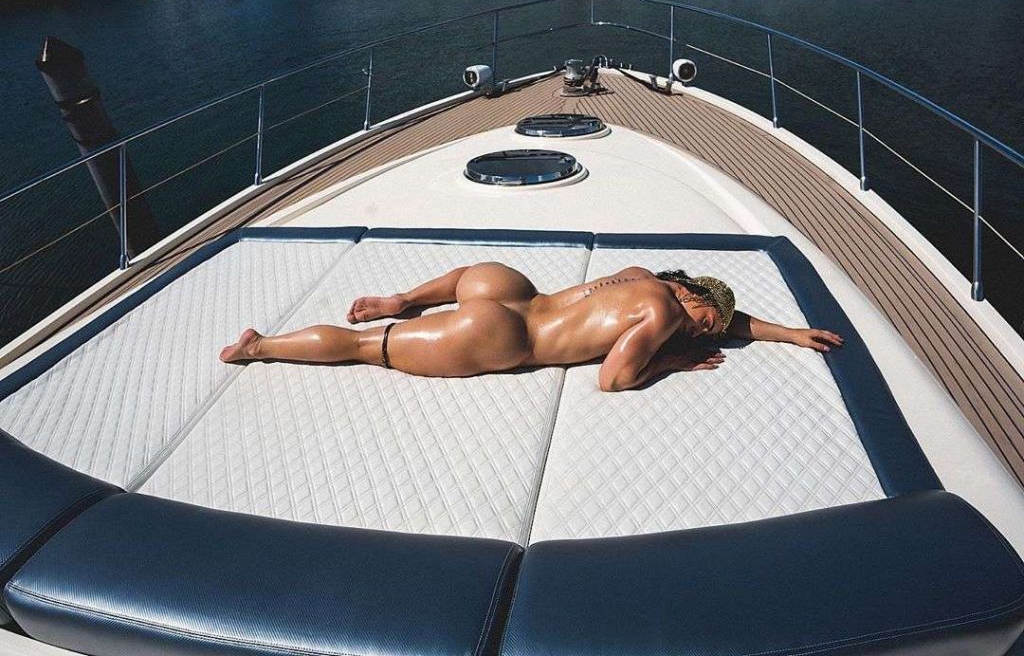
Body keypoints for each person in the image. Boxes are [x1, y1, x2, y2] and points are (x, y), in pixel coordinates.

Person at [219, 262, 843, 391]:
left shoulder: (640, 275)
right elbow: (613, 379)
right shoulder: (663, 316)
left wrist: (790, 334)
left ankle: (402, 299)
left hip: (512, 291)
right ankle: (259, 347)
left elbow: (734, 321)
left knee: (463, 279)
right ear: (692, 296)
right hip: (510, 340)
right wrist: (670, 361)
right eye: (708, 323)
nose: (707, 333)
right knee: (363, 349)